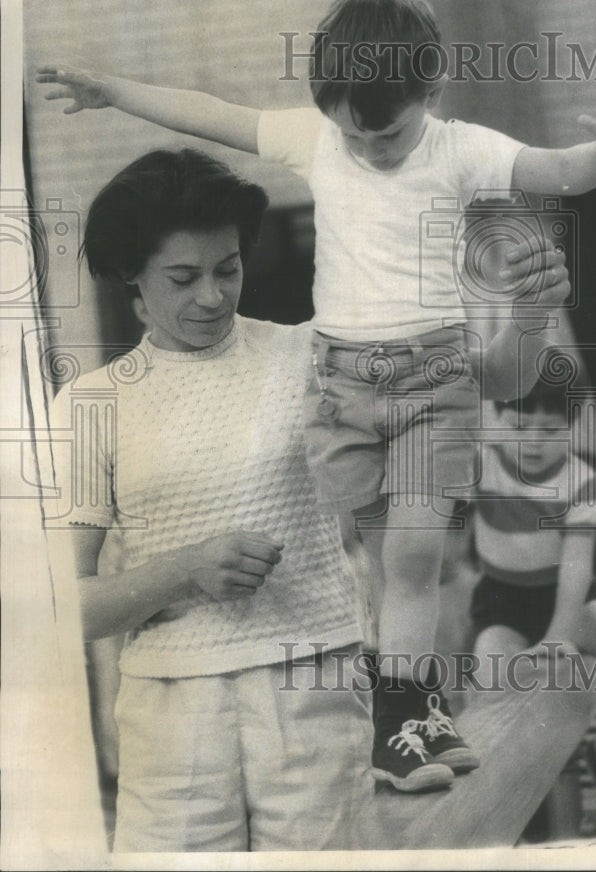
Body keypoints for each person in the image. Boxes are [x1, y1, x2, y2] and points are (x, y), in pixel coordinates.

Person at [37, 0, 596, 792]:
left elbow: (559, 171)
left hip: (434, 377)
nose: (369, 148)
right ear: (326, 106)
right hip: (342, 383)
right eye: (352, 131)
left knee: (414, 553)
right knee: (388, 563)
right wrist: (113, 90)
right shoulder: (318, 140)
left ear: (430, 93)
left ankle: (400, 717)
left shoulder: (461, 148)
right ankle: (414, 712)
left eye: (389, 133)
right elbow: (205, 111)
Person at [47, 149, 375, 852]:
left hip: (311, 678)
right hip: (171, 713)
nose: (211, 296)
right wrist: (184, 566)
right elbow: (64, 608)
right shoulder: (91, 404)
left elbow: (466, 380)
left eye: (227, 269)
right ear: (132, 273)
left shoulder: (308, 357)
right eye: (183, 277)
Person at [468, 372, 596, 834]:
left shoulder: (580, 479)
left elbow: (577, 566)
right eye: (519, 427)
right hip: (503, 602)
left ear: (573, 428)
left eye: (550, 430)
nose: (533, 441)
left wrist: (558, 636)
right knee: (490, 670)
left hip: (567, 601)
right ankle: (512, 796)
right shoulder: (478, 465)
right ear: (496, 421)